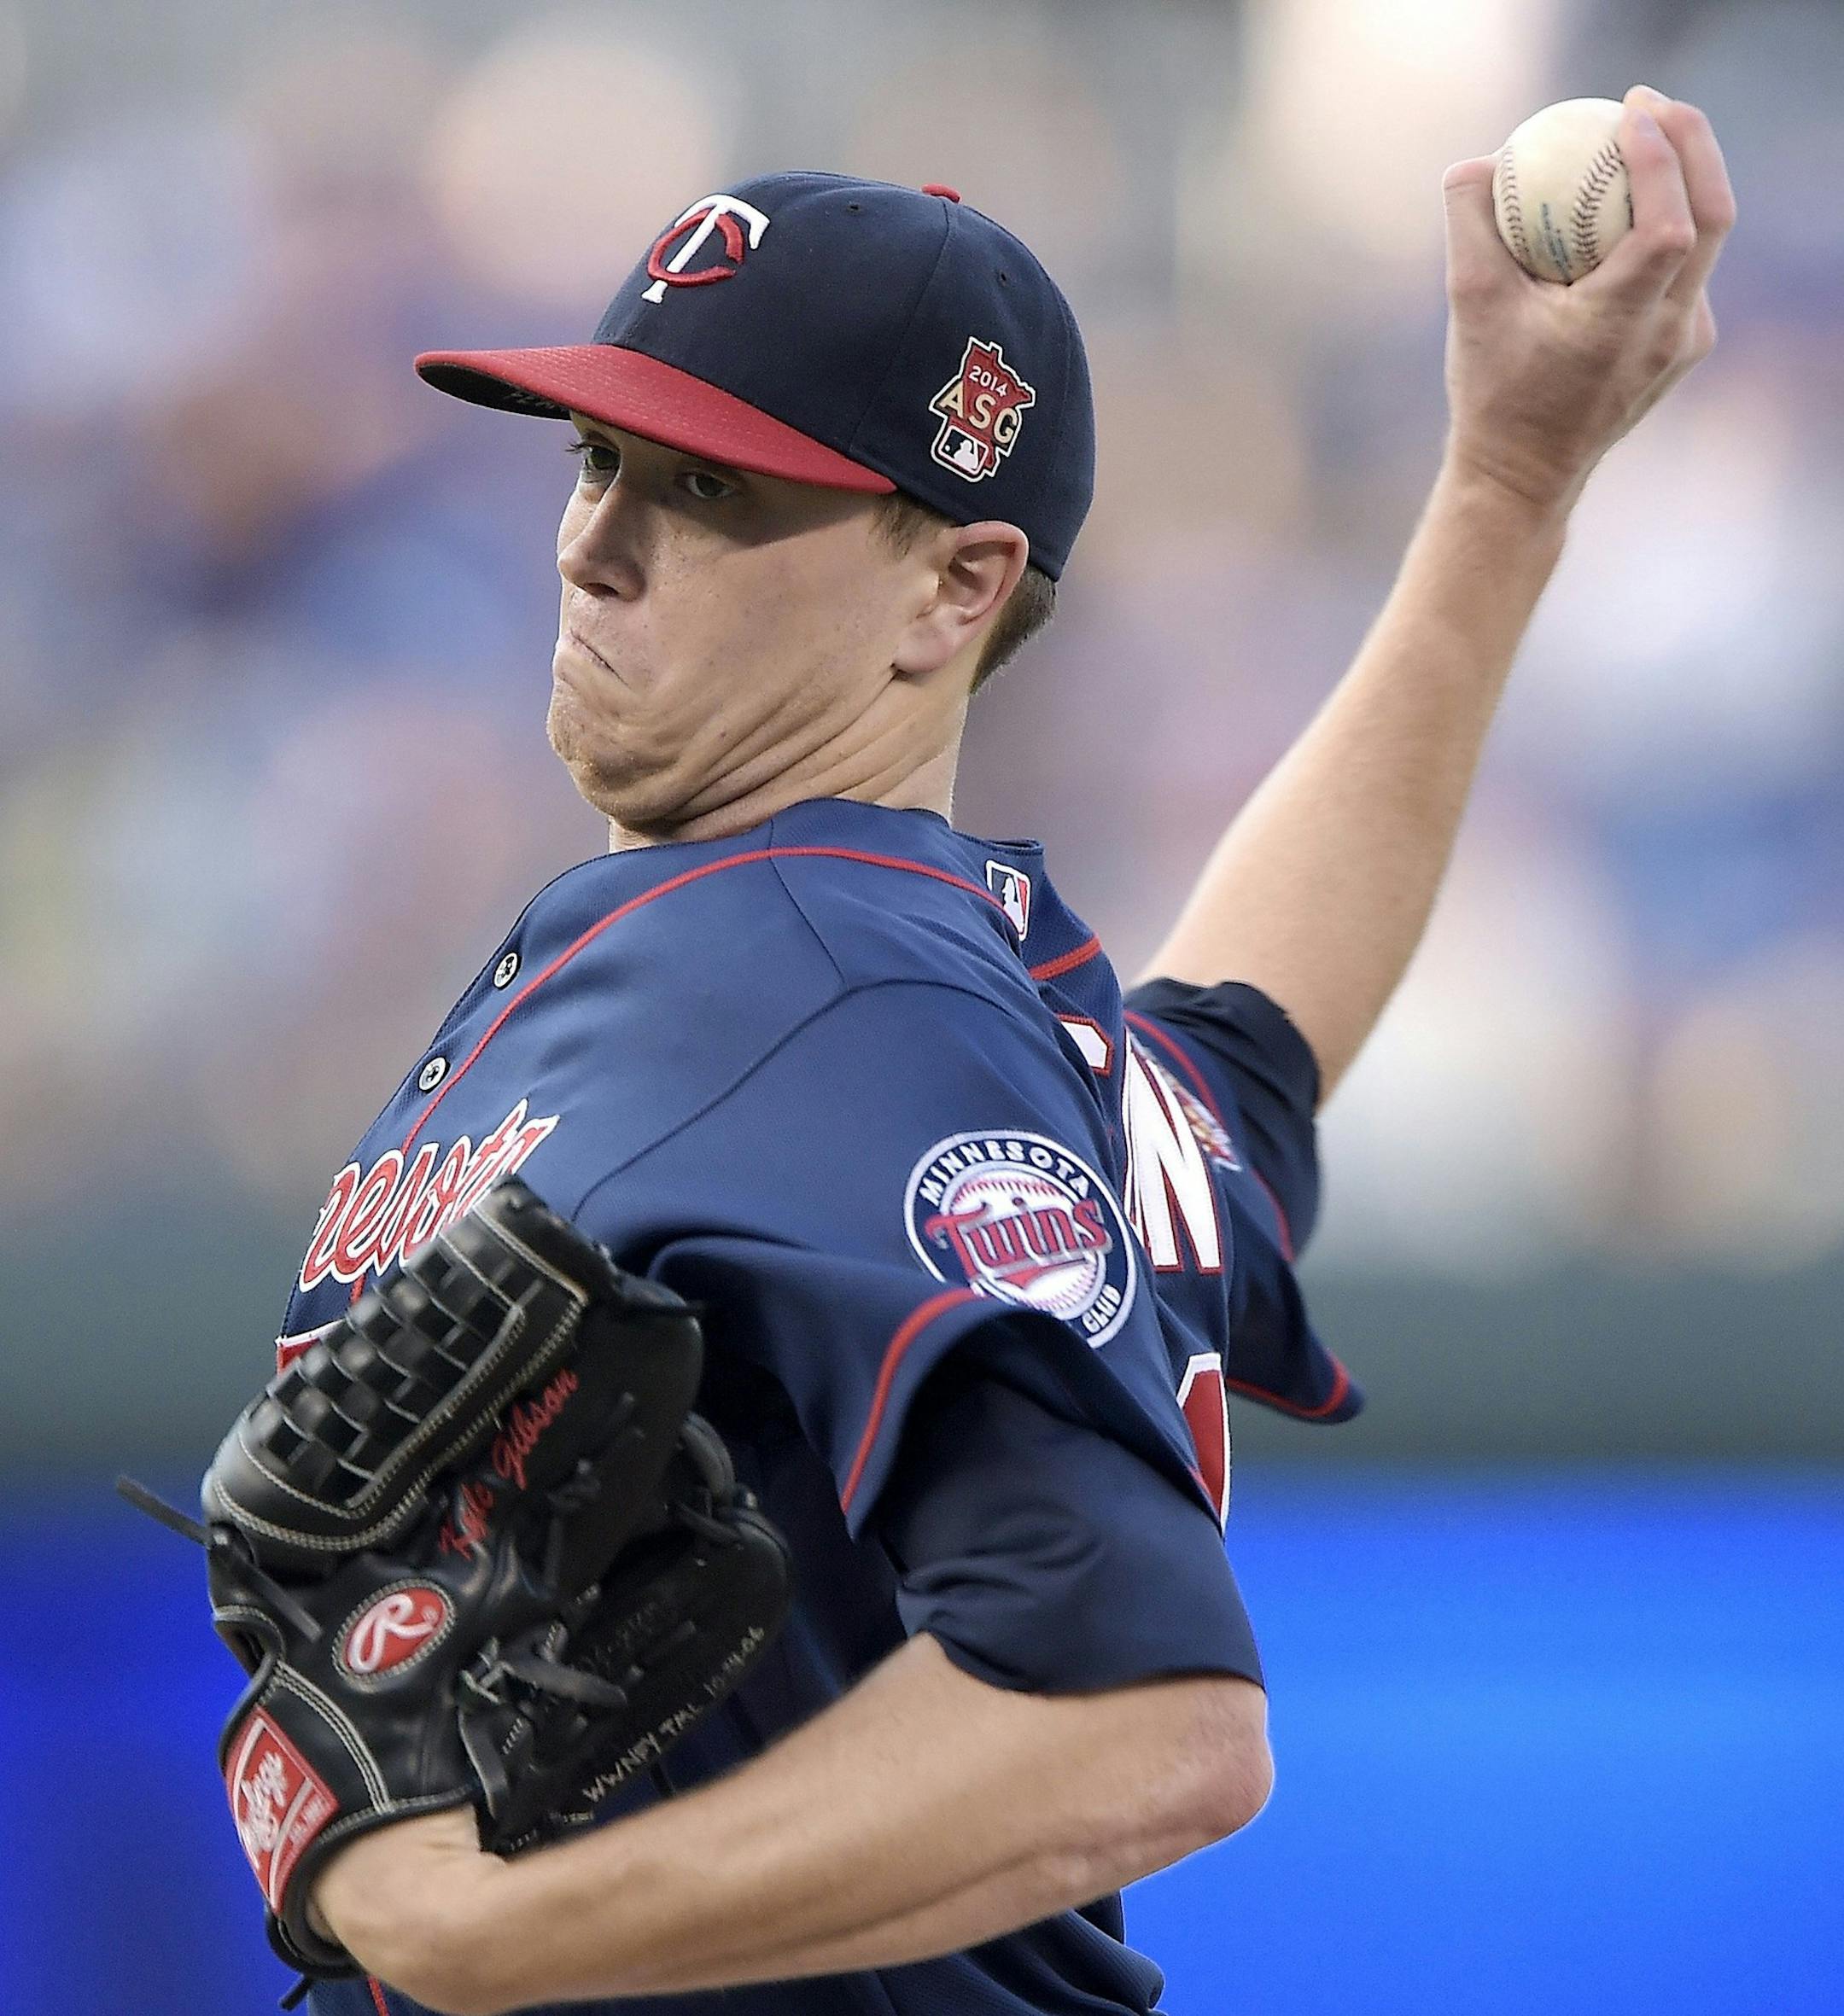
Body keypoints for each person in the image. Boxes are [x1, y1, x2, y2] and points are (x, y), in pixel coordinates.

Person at [281, 85, 1730, 2016]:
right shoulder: (946, 992)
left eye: (707, 489)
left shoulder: (815, 978)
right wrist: (1507, 487)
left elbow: (1142, 1720)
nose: (596, 544)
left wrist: (484, 1934)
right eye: (596, 457)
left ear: (957, 586)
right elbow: (1248, 1039)